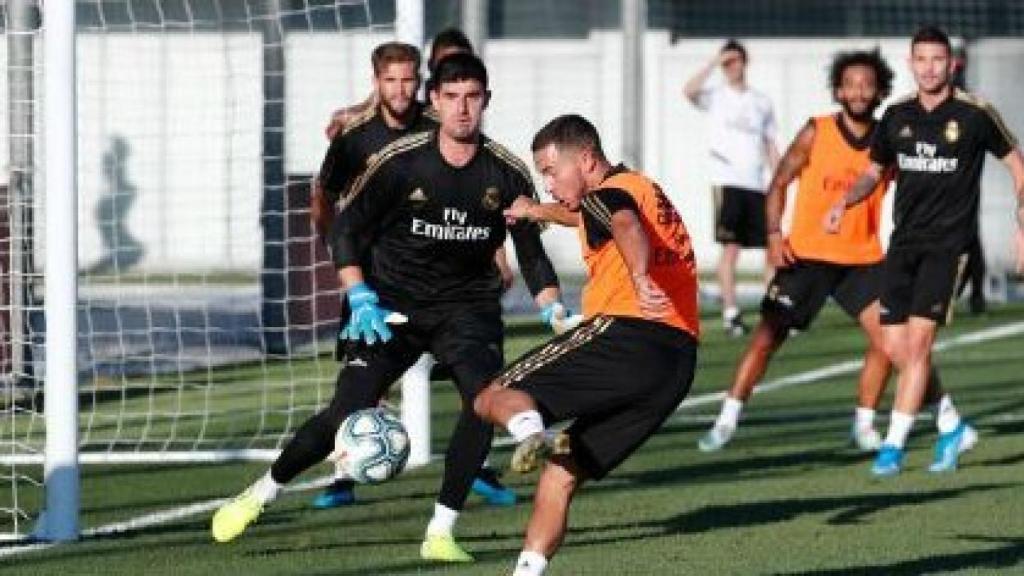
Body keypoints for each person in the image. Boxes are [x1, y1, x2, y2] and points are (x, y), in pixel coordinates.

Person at [212, 53, 567, 563]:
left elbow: (530, 251)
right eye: (452, 98)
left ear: (486, 100)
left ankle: (441, 532)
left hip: (466, 308)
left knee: (483, 400)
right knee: (345, 410)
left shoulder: (507, 173)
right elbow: (346, 230)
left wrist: (552, 307)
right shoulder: (401, 162)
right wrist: (358, 294)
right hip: (390, 304)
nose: (463, 109)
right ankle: (262, 491)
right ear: (436, 103)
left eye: (473, 97)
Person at [697, 49, 960, 453]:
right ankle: (726, 419)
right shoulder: (816, 131)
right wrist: (773, 235)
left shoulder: (888, 138)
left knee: (892, 344)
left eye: (867, 85)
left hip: (862, 261)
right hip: (806, 256)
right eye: (850, 84)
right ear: (838, 89)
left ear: (879, 91)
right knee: (767, 337)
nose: (858, 92)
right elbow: (780, 182)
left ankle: (866, 423)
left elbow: (921, 182)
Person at [473, 114, 700, 576]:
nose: (548, 184)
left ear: (588, 159)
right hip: (676, 365)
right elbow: (587, 215)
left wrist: (637, 276)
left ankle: (528, 428)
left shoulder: (609, 196)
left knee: (490, 396)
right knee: (561, 472)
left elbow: (622, 222)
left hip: (627, 337)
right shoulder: (637, 186)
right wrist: (537, 211)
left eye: (551, 172)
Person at [309, 42, 520, 511]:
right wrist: (338, 250)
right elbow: (324, 195)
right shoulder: (354, 135)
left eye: (408, 80)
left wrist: (499, 254)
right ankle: (345, 473)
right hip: (375, 272)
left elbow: (479, 196)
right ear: (376, 80)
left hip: (441, 277)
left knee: (476, 378)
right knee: (366, 380)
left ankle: (477, 468)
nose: (400, 90)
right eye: (391, 81)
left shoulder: (438, 125)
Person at [826, 26, 1024, 475]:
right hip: (903, 246)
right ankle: (952, 425)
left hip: (948, 249)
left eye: (938, 60)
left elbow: (1017, 165)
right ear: (911, 63)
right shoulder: (896, 116)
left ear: (951, 64)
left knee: (916, 347)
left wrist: (1022, 225)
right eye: (922, 60)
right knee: (895, 347)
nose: (930, 68)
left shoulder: (975, 114)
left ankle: (892, 447)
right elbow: (874, 171)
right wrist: (845, 201)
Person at [684, 39, 780, 336]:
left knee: (771, 249)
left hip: (757, 183)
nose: (731, 67)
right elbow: (689, 91)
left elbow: (770, 143)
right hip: (728, 181)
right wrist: (714, 62)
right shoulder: (715, 96)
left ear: (744, 62)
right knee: (731, 250)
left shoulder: (761, 102)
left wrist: (779, 179)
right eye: (727, 62)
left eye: (735, 60)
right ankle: (731, 313)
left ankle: (772, 311)